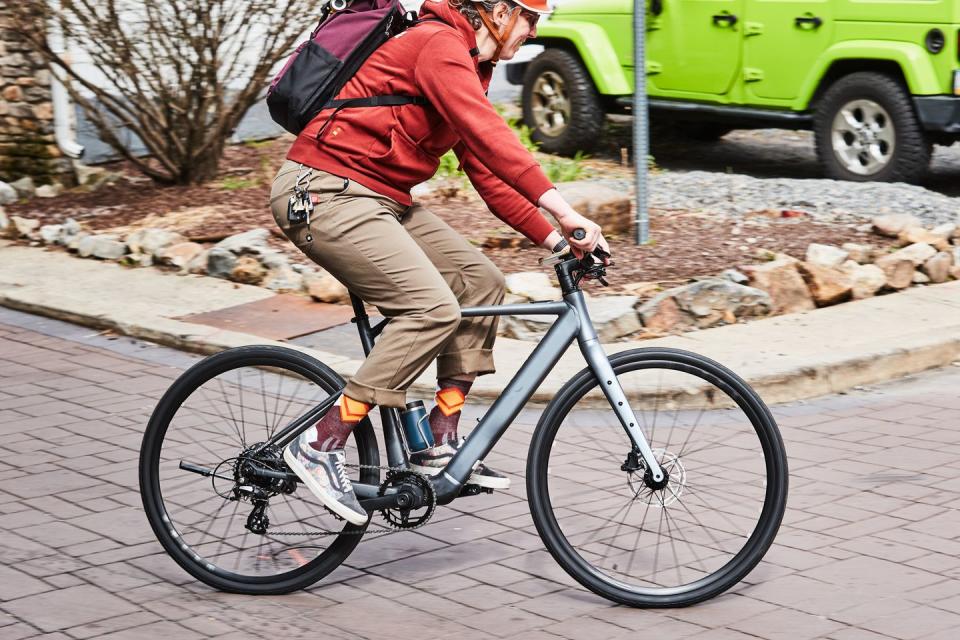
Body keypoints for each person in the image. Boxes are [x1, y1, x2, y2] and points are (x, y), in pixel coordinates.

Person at [271, 0, 609, 525]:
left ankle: (440, 437)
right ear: (496, 10)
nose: (534, 30)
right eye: (531, 17)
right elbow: (492, 138)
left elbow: (488, 171)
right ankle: (321, 443)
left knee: (481, 282)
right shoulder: (438, 45)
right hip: (325, 192)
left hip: (380, 197)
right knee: (430, 309)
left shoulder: (471, 63)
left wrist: (559, 241)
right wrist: (564, 207)